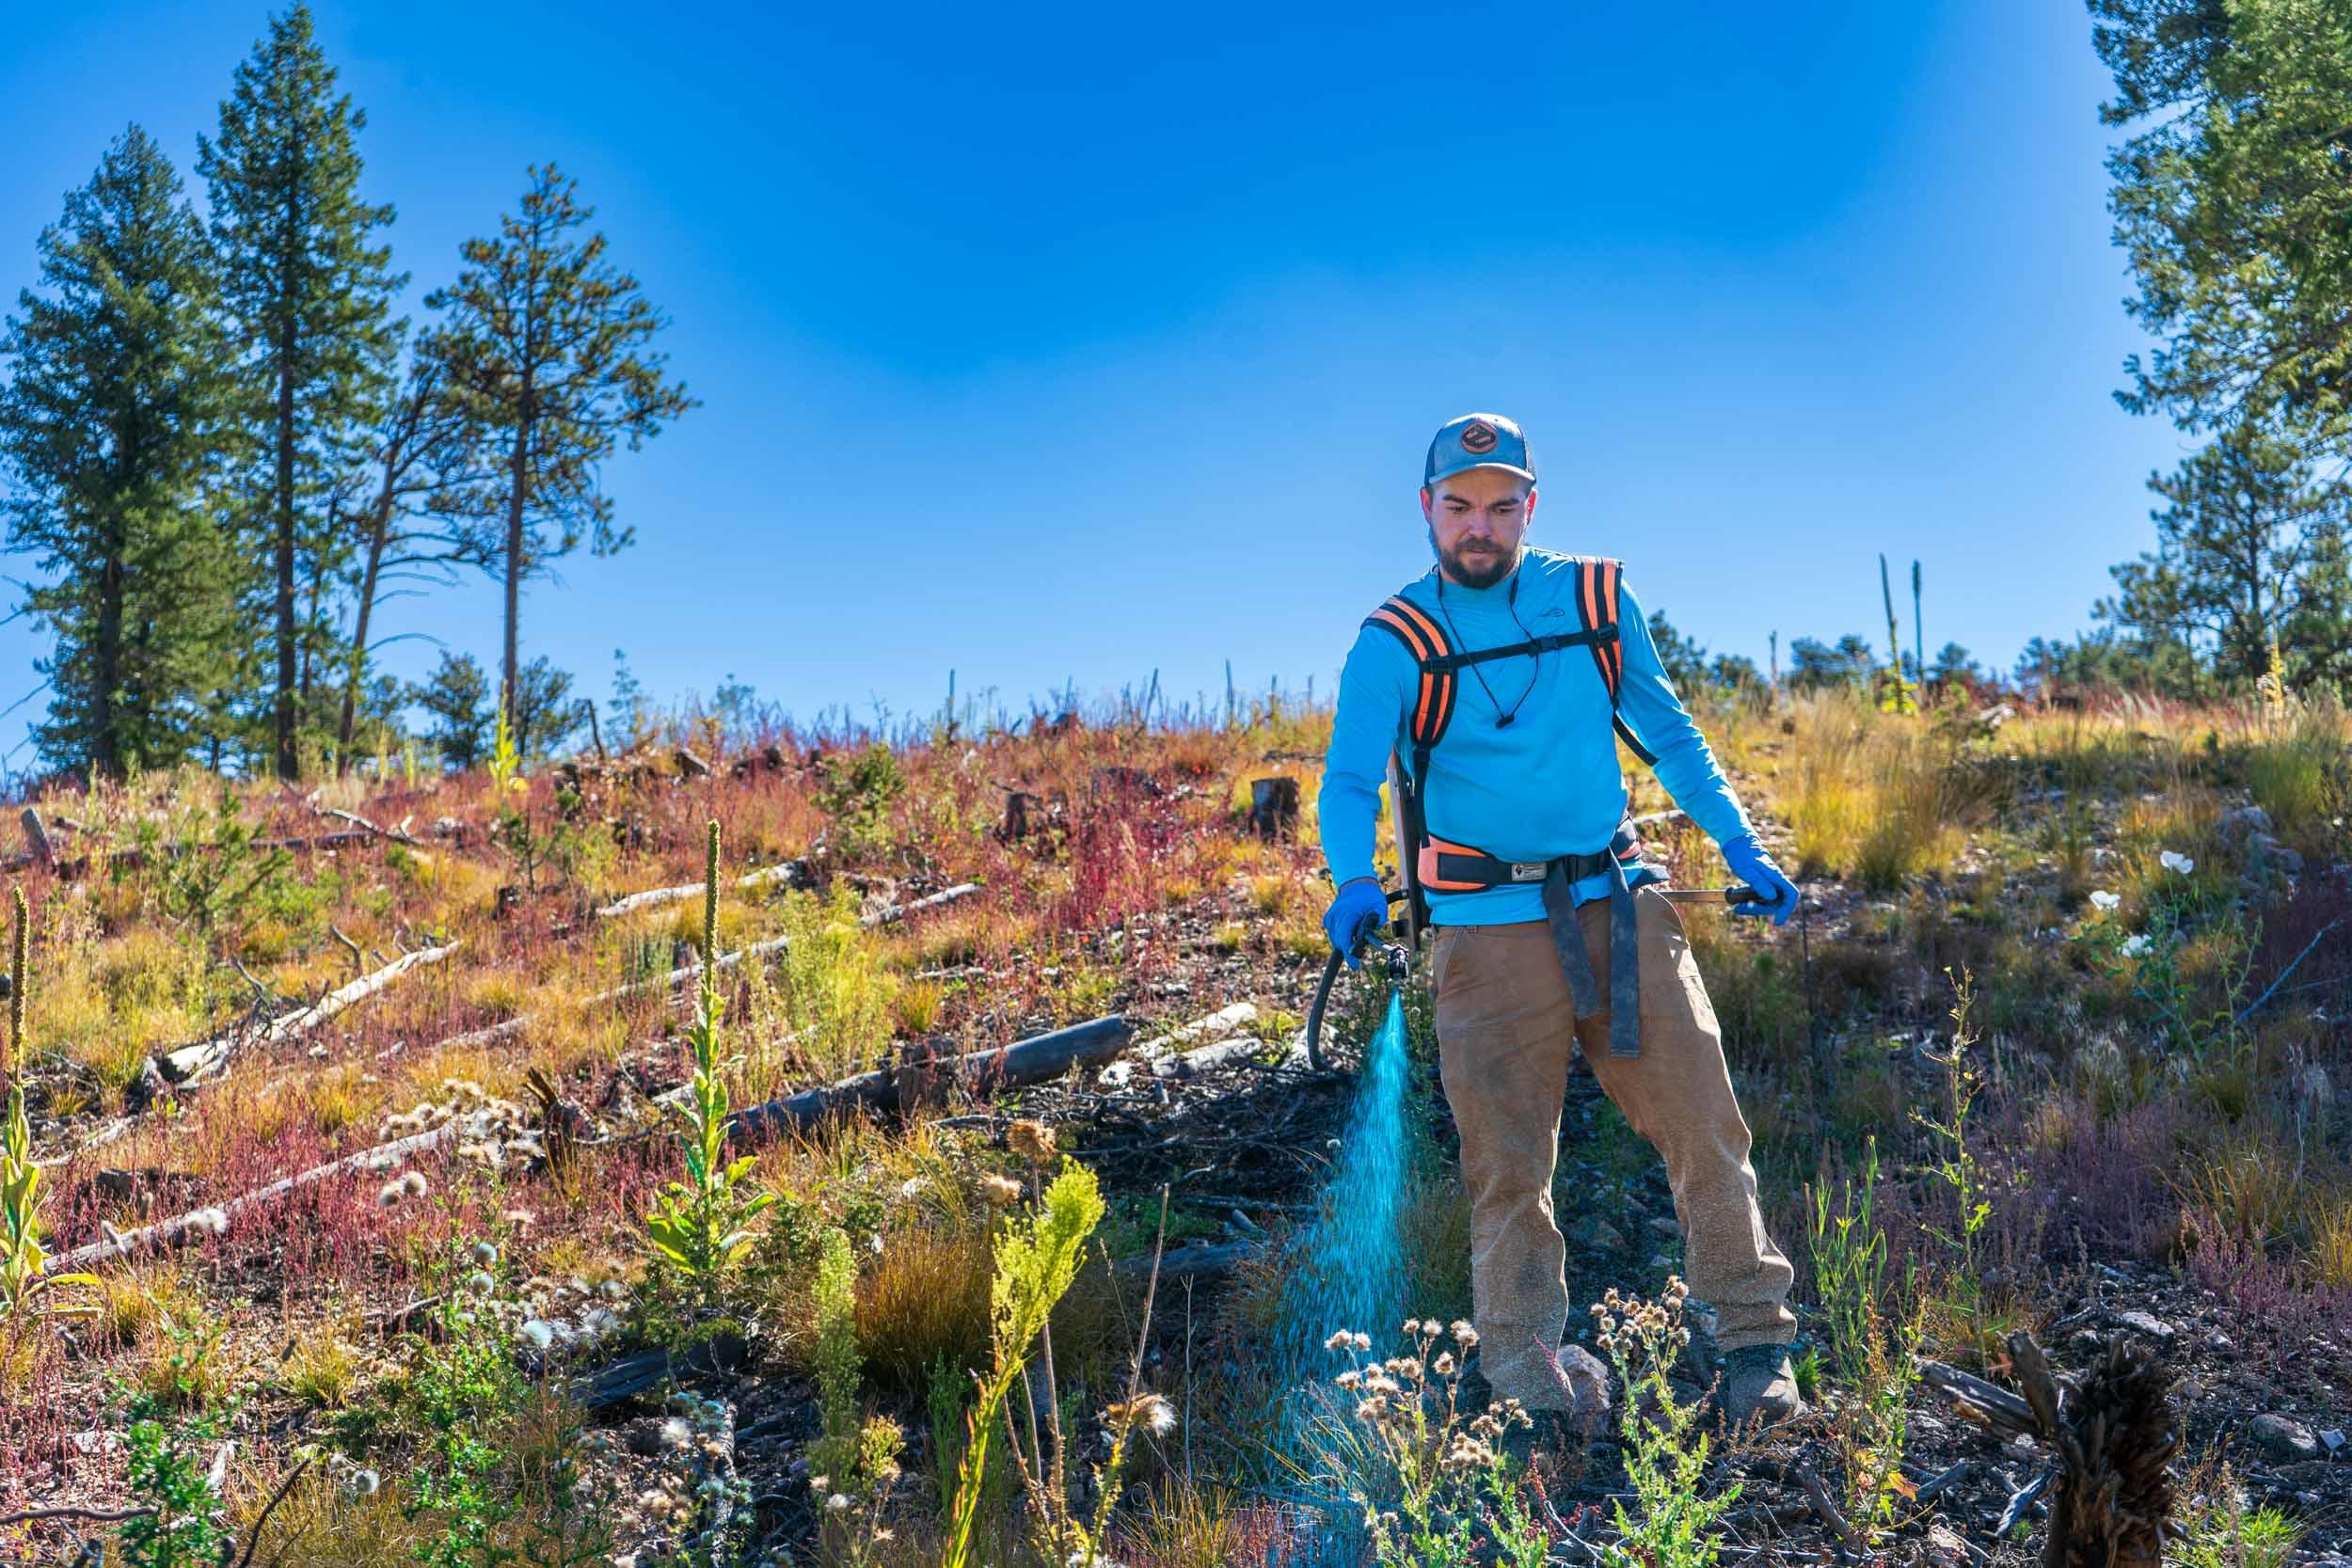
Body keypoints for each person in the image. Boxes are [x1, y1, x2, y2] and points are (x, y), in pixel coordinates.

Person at [1315, 412, 1806, 1450]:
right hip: (1481, 937)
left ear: (1530, 506)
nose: (1479, 528)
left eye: (1500, 506)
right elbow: (1350, 777)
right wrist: (1353, 879)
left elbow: (1669, 731)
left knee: (1705, 1125)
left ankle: (1756, 1349)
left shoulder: (1592, 597)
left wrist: (1743, 845)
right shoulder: (1393, 641)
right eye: (1459, 507)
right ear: (1427, 510)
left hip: (1619, 911)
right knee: (1505, 1170)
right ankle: (1527, 1382)